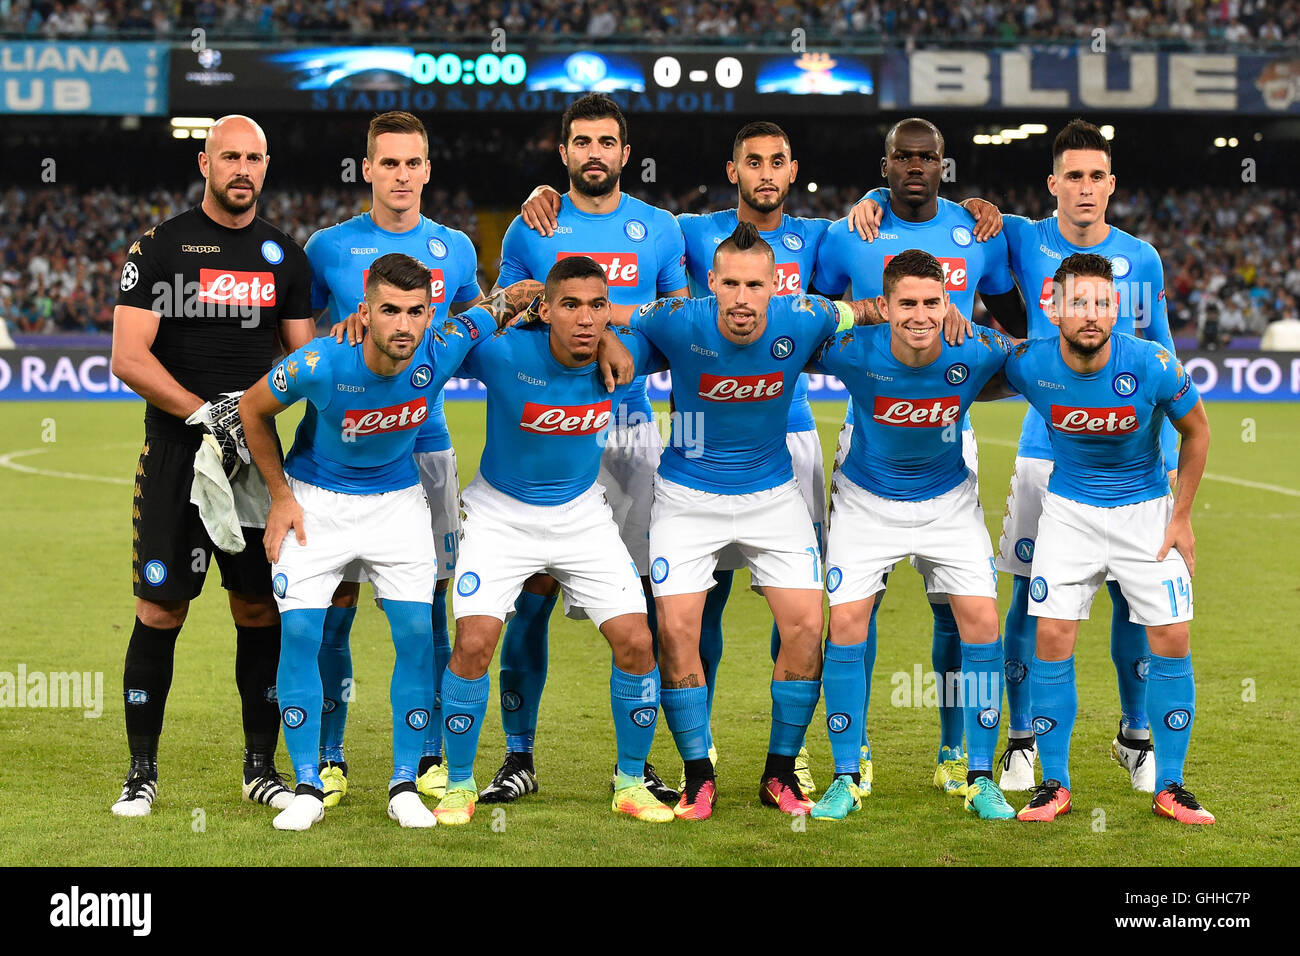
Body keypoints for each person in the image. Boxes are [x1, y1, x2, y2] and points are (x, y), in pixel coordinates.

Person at [237, 254, 541, 831]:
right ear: (365, 312)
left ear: (430, 313)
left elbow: (494, 309)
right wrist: (279, 495)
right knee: (301, 632)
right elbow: (253, 409)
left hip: (399, 506)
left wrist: (525, 291)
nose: (404, 325)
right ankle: (307, 783)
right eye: (390, 311)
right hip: (316, 504)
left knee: (416, 635)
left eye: (415, 312)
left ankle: (403, 783)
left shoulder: (441, 346)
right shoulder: (324, 361)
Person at [481, 93, 688, 805]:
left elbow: (676, 327)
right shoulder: (530, 227)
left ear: (626, 154)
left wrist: (602, 327)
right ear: (563, 152)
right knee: (530, 602)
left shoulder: (660, 231)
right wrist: (586, 325)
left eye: (607, 141)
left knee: (640, 611)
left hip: (628, 435)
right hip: (546, 431)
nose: (594, 152)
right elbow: (505, 316)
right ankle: (519, 756)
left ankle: (637, 764)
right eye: (581, 142)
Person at [108, 114, 315, 817]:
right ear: (205, 162)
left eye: (254, 157)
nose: (242, 169)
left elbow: (300, 360)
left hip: (255, 460)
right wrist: (207, 412)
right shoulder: (161, 248)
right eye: (230, 156)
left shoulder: (284, 257)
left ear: (265, 165)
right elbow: (128, 357)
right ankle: (141, 772)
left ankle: (260, 767)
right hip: (177, 454)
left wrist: (250, 414)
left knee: (258, 608)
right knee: (159, 609)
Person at [816, 117, 1027, 797]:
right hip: (870, 429)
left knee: (955, 611)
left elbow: (1018, 328)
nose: (915, 166)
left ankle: (954, 749)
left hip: (948, 427)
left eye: (927, 157)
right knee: (857, 607)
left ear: (945, 164)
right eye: (903, 157)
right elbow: (813, 312)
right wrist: (865, 312)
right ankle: (857, 756)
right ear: (885, 166)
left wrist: (970, 347)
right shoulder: (852, 232)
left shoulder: (979, 231)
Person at [974, 119, 1182, 792]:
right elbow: (950, 220)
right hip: (1046, 453)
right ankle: (1023, 739)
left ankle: (1135, 733)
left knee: (1133, 600)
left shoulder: (1141, 259)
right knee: (1029, 604)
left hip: (1134, 459)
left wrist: (1172, 459)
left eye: (1097, 176)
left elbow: (1165, 359)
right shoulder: (1023, 238)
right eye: (1074, 176)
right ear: (1053, 183)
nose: (1086, 188)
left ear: (1111, 184)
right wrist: (974, 207)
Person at [435, 255, 672, 826]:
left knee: (638, 642)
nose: (585, 318)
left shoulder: (623, 355)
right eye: (570, 305)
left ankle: (631, 782)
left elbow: (686, 332)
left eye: (597, 306)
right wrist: (497, 306)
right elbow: (434, 338)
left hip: (582, 516)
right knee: (472, 645)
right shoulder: (502, 354)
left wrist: (621, 335)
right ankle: (460, 785)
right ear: (545, 310)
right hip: (500, 516)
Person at [628, 223, 853, 820]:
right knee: (676, 632)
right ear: (712, 283)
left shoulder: (805, 317)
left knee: (806, 627)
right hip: (686, 495)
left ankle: (780, 773)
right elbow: (618, 325)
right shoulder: (675, 320)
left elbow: (859, 313)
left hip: (774, 496)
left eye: (757, 285)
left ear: (777, 285)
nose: (744, 299)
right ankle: (698, 775)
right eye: (731, 284)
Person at [303, 111, 483, 808]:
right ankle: (330, 754)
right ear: (367, 169)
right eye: (390, 163)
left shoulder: (457, 248)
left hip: (425, 450)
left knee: (428, 605)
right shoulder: (327, 249)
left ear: (427, 170)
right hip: (341, 454)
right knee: (335, 605)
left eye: (414, 163)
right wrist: (332, 327)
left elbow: (475, 331)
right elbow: (300, 336)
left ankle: (431, 753)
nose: (402, 175)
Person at [1001, 253, 1213, 825]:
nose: (1091, 314)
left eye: (1101, 302)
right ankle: (1054, 784)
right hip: (1068, 513)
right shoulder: (1030, 363)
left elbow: (1197, 430)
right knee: (1052, 635)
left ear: (1116, 307)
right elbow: (969, 364)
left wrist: (1182, 515)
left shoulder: (1152, 363)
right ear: (1054, 308)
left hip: (1146, 514)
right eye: (1078, 302)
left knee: (1171, 635)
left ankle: (1171, 784)